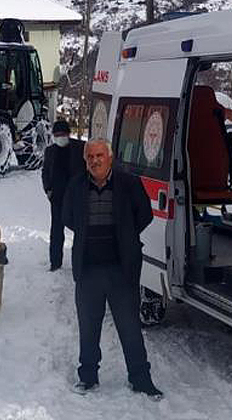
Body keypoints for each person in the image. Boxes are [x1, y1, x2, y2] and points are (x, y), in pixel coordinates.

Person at [62, 138, 163, 400]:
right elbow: (68, 218)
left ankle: (141, 379)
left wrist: (125, 236)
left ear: (110, 157)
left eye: (99, 155)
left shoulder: (129, 184)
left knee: (130, 327)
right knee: (88, 327)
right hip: (89, 270)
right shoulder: (76, 186)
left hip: (121, 269)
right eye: (90, 157)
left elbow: (145, 214)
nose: (94, 161)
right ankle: (88, 377)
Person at [42, 120, 85, 271]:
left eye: (63, 134)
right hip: (57, 198)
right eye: (57, 135)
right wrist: (48, 189)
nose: (60, 137)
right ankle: (55, 263)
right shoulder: (50, 151)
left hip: (76, 198)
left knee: (80, 231)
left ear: (68, 134)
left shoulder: (80, 148)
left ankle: (80, 262)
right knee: (56, 232)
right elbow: (45, 172)